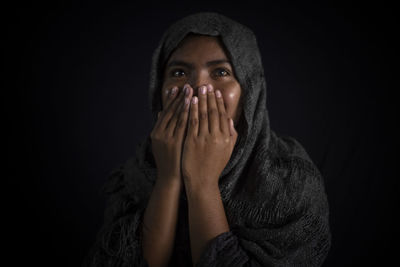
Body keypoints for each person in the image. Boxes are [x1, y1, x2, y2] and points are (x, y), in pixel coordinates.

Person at [83, 12, 331, 267]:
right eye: (179, 73)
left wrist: (202, 183)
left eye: (221, 72)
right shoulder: (135, 176)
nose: (198, 90)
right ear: (159, 89)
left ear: (249, 92)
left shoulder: (291, 181)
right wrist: (168, 179)